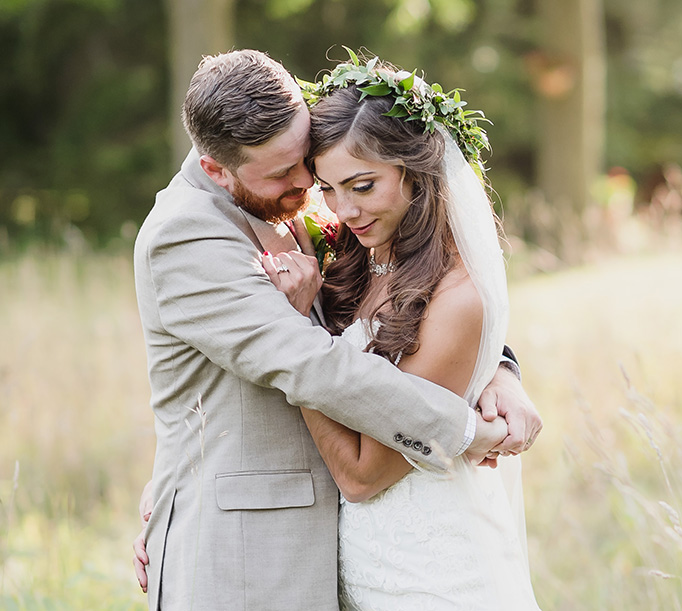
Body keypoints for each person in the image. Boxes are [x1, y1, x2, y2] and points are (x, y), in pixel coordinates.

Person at [132, 49, 540, 610]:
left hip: (363, 545)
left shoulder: (305, 203)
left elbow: (407, 318)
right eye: (284, 173)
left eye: (307, 163)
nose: (309, 188)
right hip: (246, 553)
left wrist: (496, 369)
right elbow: (309, 361)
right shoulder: (188, 237)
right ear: (216, 170)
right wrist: (463, 429)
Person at [264, 56, 541, 609]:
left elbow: (365, 476)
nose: (345, 209)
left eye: (363, 186)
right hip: (356, 565)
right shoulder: (352, 251)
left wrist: (294, 335)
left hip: (434, 573)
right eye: (329, 189)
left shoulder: (456, 296)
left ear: (415, 170)